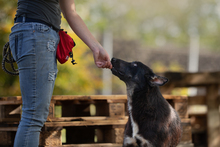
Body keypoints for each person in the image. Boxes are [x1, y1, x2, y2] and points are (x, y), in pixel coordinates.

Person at [9, 0, 112, 146]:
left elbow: (71, 12)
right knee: (33, 116)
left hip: (33, 33)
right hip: (37, 34)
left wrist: (96, 47)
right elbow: (71, 13)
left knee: (34, 115)